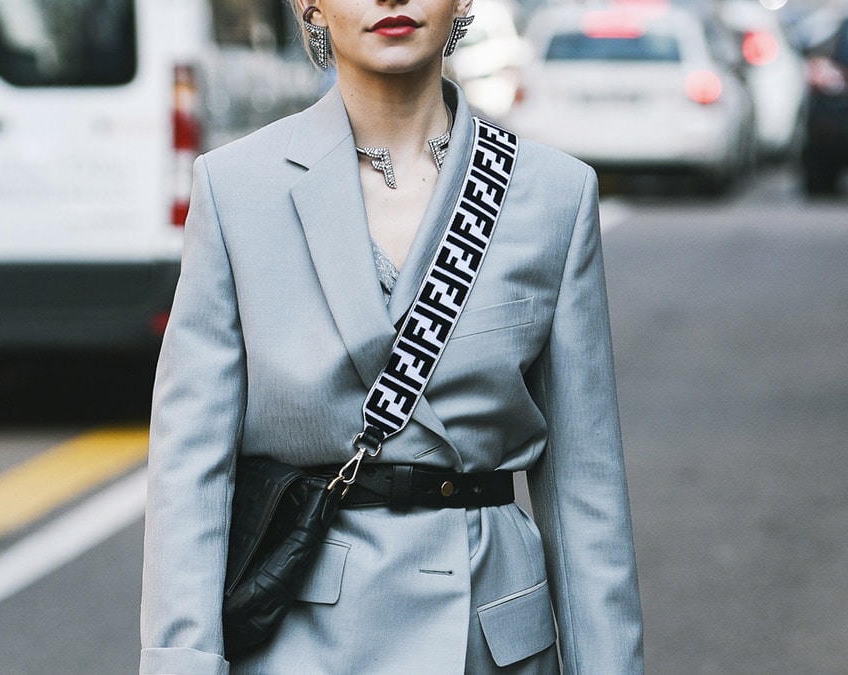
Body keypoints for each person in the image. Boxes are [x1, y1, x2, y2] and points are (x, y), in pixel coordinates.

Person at [140, 0, 644, 672]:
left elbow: (587, 490)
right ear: (309, 3)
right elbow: (191, 468)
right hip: (304, 642)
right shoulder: (237, 189)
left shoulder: (552, 193)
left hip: (487, 640)